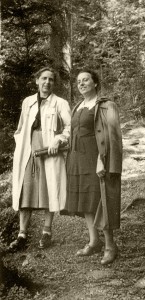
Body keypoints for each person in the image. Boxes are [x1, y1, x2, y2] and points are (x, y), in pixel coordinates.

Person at [62, 69, 122, 265]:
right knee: (86, 200)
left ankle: (110, 245)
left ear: (95, 83)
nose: (81, 83)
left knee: (100, 200)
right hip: (76, 159)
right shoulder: (77, 106)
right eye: (78, 81)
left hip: (95, 158)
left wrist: (102, 160)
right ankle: (94, 241)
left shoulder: (106, 105)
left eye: (85, 80)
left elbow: (112, 137)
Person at [10, 67, 71, 251]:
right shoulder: (28, 102)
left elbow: (70, 127)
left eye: (51, 79)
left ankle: (46, 232)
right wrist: (20, 144)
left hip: (49, 152)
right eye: (43, 78)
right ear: (37, 81)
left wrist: (58, 139)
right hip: (27, 152)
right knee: (24, 191)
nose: (47, 82)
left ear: (54, 83)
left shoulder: (60, 103)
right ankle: (22, 234)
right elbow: (20, 128)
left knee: (49, 189)